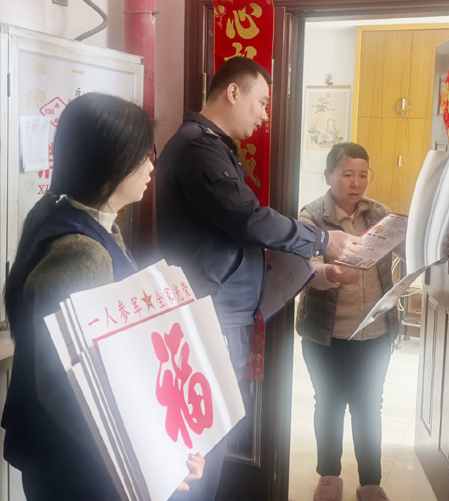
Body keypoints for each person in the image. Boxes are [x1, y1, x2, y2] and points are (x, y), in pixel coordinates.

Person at [155, 57, 362, 500]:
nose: (265, 114)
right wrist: (321, 240)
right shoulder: (198, 149)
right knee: (204, 443)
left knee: (212, 435)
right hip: (212, 316)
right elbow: (248, 219)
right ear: (234, 92)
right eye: (263, 102)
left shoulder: (212, 145)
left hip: (222, 312)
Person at [2, 93, 204, 501]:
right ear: (110, 163)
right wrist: (144, 459)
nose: (152, 167)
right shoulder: (83, 252)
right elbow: (64, 385)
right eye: (143, 155)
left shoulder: (76, 219)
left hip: (73, 458)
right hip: (78, 466)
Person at [296, 142, 449, 501]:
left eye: (362, 175)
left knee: (369, 405)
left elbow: (412, 250)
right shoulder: (311, 216)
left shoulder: (380, 214)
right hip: (325, 335)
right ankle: (329, 475)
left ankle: (370, 481)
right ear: (328, 176)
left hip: (374, 333)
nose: (356, 183)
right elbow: (303, 268)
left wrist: (440, 248)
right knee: (328, 403)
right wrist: (330, 274)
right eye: (347, 174)